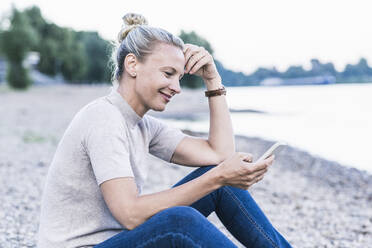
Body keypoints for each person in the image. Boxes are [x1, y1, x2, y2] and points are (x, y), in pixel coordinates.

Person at [37, 13, 292, 248]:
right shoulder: (103, 118)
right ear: (133, 65)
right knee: (180, 220)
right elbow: (130, 214)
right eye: (168, 73)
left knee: (218, 180)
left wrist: (213, 81)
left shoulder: (142, 125)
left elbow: (219, 155)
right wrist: (218, 176)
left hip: (119, 242)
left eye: (179, 77)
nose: (176, 87)